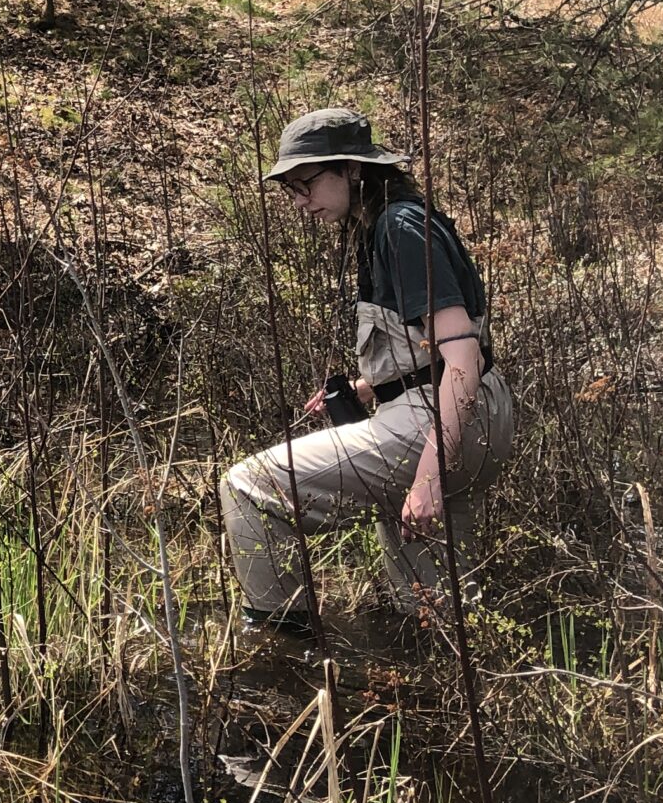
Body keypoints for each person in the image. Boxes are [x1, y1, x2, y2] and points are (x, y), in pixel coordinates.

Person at [219, 107, 516, 634]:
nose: (300, 202)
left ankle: (283, 653)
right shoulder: (397, 222)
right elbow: (437, 350)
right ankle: (443, 691)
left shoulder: (399, 228)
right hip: (474, 417)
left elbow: (462, 359)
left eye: (306, 184)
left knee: (250, 486)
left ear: (353, 170)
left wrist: (426, 477)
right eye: (290, 190)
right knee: (431, 615)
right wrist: (369, 385)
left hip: (440, 419)